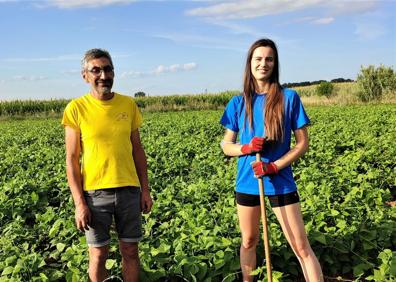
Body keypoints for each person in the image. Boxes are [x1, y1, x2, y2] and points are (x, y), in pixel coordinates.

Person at [220, 39, 323, 282]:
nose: (263, 64)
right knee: (248, 241)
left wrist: (274, 166)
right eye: (258, 59)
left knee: (300, 247)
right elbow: (226, 146)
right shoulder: (238, 103)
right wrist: (245, 147)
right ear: (250, 63)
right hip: (248, 181)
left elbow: (302, 144)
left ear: (275, 64)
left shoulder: (289, 98)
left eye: (269, 59)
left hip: (280, 181)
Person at [62, 48, 153, 282]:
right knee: (98, 253)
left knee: (131, 251)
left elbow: (137, 150)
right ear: (85, 76)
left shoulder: (128, 104)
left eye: (108, 69)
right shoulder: (76, 108)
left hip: (129, 190)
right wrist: (79, 203)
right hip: (94, 193)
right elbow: (72, 159)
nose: (103, 75)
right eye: (96, 70)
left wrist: (145, 189)